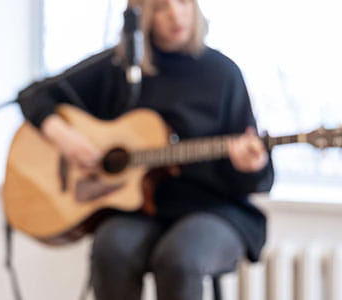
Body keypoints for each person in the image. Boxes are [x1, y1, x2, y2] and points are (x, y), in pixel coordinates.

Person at [16, 0, 274, 299]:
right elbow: (33, 95)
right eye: (161, 7)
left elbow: (260, 178)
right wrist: (65, 138)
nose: (175, 14)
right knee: (111, 248)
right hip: (138, 208)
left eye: (182, 2)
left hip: (213, 209)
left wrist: (250, 166)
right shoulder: (117, 69)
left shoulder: (223, 73)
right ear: (140, 16)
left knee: (179, 259)